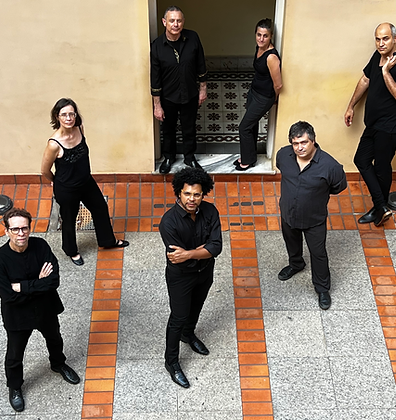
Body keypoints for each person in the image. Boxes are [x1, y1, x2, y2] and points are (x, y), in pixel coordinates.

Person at [0, 208, 80, 412]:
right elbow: (8, 296)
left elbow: (53, 281)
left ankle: (58, 364)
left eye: (24, 228)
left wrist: (22, 286)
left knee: (55, 339)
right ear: (6, 231)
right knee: (14, 355)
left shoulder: (41, 246)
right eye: (15, 229)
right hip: (18, 316)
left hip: (45, 308)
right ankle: (15, 387)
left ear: (29, 229)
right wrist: (39, 283)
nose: (20, 233)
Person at [41, 98, 128, 266]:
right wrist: (56, 182)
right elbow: (45, 170)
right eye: (64, 115)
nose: (68, 118)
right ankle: (71, 251)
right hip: (67, 189)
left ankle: (107, 241)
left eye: (71, 114)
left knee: (100, 208)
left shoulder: (80, 129)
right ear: (57, 116)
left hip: (86, 182)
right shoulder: (53, 144)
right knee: (69, 220)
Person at [344, 23, 396, 226]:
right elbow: (365, 80)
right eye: (377, 39)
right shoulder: (377, 56)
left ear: (394, 39)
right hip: (374, 124)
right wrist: (351, 106)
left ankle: (379, 208)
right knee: (361, 159)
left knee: (382, 167)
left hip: (391, 128)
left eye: (385, 39)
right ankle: (381, 207)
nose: (381, 43)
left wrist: (385, 72)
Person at [158, 167, 222, 388]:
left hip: (205, 272)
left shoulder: (210, 211)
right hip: (181, 277)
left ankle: (189, 334)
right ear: (179, 193)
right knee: (178, 317)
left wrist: (189, 253)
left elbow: (216, 247)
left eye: (197, 194)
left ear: (203, 194)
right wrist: (202, 251)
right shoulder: (168, 222)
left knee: (196, 307)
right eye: (187, 194)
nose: (192, 199)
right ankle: (171, 362)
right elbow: (179, 259)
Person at [276, 121, 347, 310]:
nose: (299, 147)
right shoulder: (283, 155)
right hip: (288, 213)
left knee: (318, 253)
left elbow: (338, 187)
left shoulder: (330, 166)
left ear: (313, 141)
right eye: (295, 143)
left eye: (304, 142)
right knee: (291, 243)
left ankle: (322, 289)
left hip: (314, 219)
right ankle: (296, 264)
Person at [151, 5, 207, 174]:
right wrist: (157, 105)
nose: (175, 24)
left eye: (179, 21)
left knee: (189, 127)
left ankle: (189, 157)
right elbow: (155, 78)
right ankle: (169, 157)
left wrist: (203, 89)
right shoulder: (157, 46)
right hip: (168, 97)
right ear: (164, 22)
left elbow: (201, 64)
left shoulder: (193, 38)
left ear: (183, 22)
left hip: (190, 93)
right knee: (168, 129)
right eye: (172, 21)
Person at [235, 18, 282, 171]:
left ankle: (247, 161)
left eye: (265, 36)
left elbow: (278, 84)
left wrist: (274, 99)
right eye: (259, 35)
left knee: (244, 127)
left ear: (271, 36)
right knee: (251, 125)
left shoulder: (271, 57)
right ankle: (249, 155)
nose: (261, 39)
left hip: (264, 97)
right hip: (254, 91)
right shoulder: (259, 48)